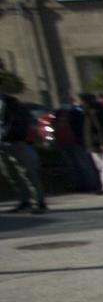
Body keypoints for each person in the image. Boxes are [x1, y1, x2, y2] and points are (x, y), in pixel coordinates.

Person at [0, 76, 46, 214]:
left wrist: (13, 136)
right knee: (11, 174)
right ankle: (24, 201)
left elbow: (19, 121)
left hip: (14, 141)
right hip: (2, 144)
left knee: (27, 172)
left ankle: (39, 202)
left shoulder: (9, 102)